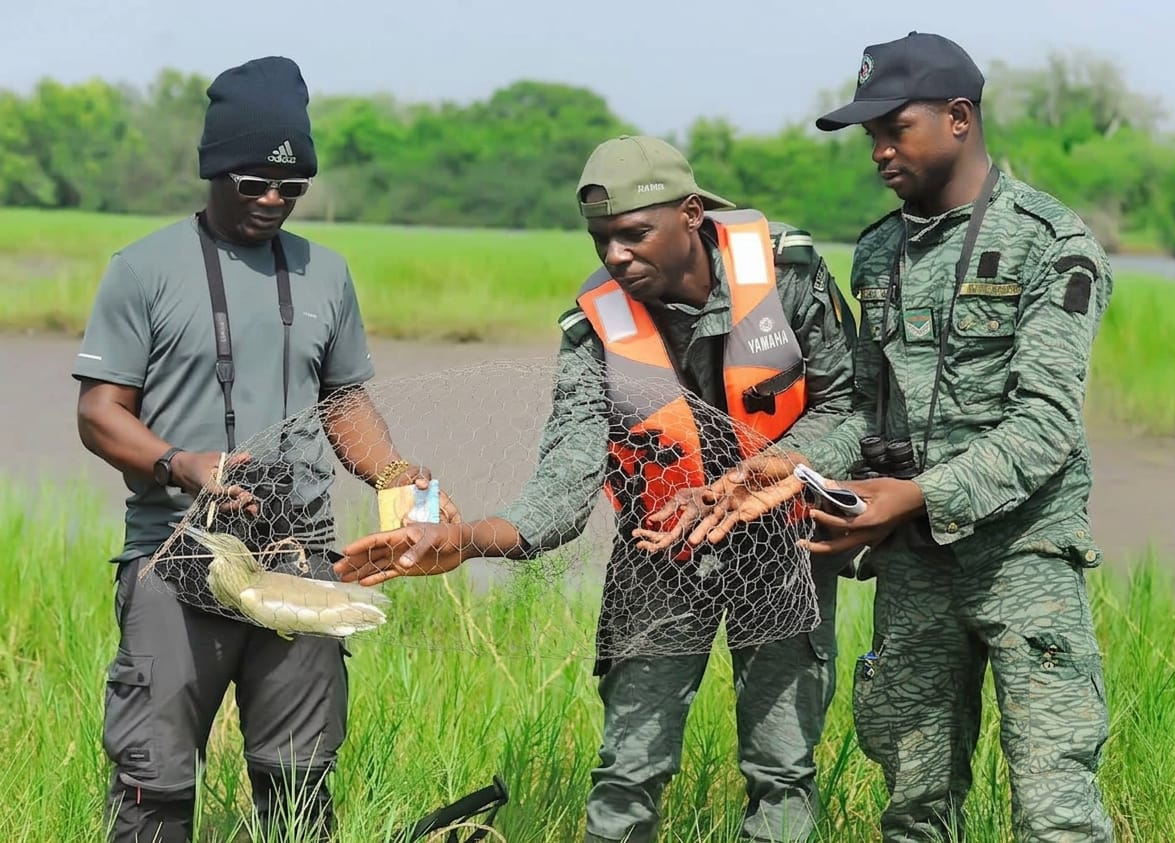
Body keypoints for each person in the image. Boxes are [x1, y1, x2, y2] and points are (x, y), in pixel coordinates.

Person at [333, 134, 866, 842]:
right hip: (661, 551)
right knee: (627, 772)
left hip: (783, 544)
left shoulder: (785, 274)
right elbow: (564, 482)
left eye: (634, 234)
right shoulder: (596, 327)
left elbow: (852, 404)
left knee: (782, 767)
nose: (616, 255)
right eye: (601, 239)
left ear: (693, 215)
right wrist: (462, 539)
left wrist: (786, 465)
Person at [689, 31, 1116, 843]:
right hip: (915, 561)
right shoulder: (880, 251)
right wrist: (784, 465)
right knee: (915, 807)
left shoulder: (1050, 244)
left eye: (897, 128)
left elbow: (1046, 424)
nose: (880, 150)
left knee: (1055, 809)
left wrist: (920, 492)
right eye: (870, 136)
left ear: (959, 118)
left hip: (1024, 557)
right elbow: (864, 413)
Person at [74, 56, 445, 842]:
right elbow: (100, 412)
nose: (274, 200)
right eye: (255, 184)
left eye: (291, 188)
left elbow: (345, 399)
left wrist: (392, 472)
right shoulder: (142, 269)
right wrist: (182, 462)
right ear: (214, 171)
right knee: (155, 776)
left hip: (299, 555)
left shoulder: (325, 273)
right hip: (177, 552)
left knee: (300, 777)